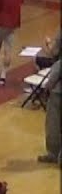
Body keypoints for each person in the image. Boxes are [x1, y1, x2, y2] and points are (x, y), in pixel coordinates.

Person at [38, 28, 62, 164]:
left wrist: (48, 44)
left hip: (58, 91)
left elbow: (55, 52)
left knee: (53, 123)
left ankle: (54, 154)